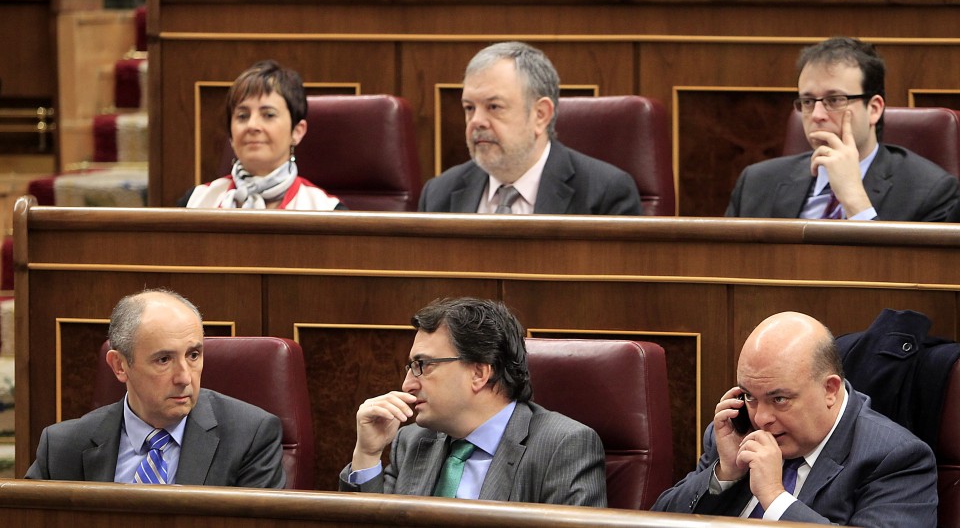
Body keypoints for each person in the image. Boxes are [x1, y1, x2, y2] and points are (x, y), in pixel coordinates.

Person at [651, 311, 938, 526]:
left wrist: (775, 498)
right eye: (750, 396)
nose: (761, 418)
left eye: (779, 399)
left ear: (830, 389)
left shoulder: (895, 458)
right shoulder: (733, 433)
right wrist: (723, 473)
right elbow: (654, 520)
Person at [338, 297, 607, 506]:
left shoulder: (563, 445)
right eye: (409, 367)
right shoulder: (413, 441)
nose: (408, 384)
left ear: (479, 373)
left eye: (423, 365)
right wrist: (368, 454)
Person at [26, 289, 285, 488]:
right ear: (120, 366)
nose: (184, 377)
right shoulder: (63, 447)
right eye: (164, 359)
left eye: (193, 355)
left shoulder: (250, 438)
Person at [726, 37, 959, 221]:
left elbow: (914, 278)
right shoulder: (756, 183)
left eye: (834, 100)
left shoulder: (930, 192)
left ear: (874, 109)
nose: (817, 115)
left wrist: (854, 200)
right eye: (807, 101)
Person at [418, 42, 642, 215]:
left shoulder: (605, 193)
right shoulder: (439, 194)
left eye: (494, 107)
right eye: (469, 107)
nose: (477, 121)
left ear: (540, 115)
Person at [185, 60, 345, 210]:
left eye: (268, 115)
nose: (252, 126)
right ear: (231, 136)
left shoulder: (327, 211)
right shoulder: (194, 202)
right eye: (242, 116)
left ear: (297, 131)